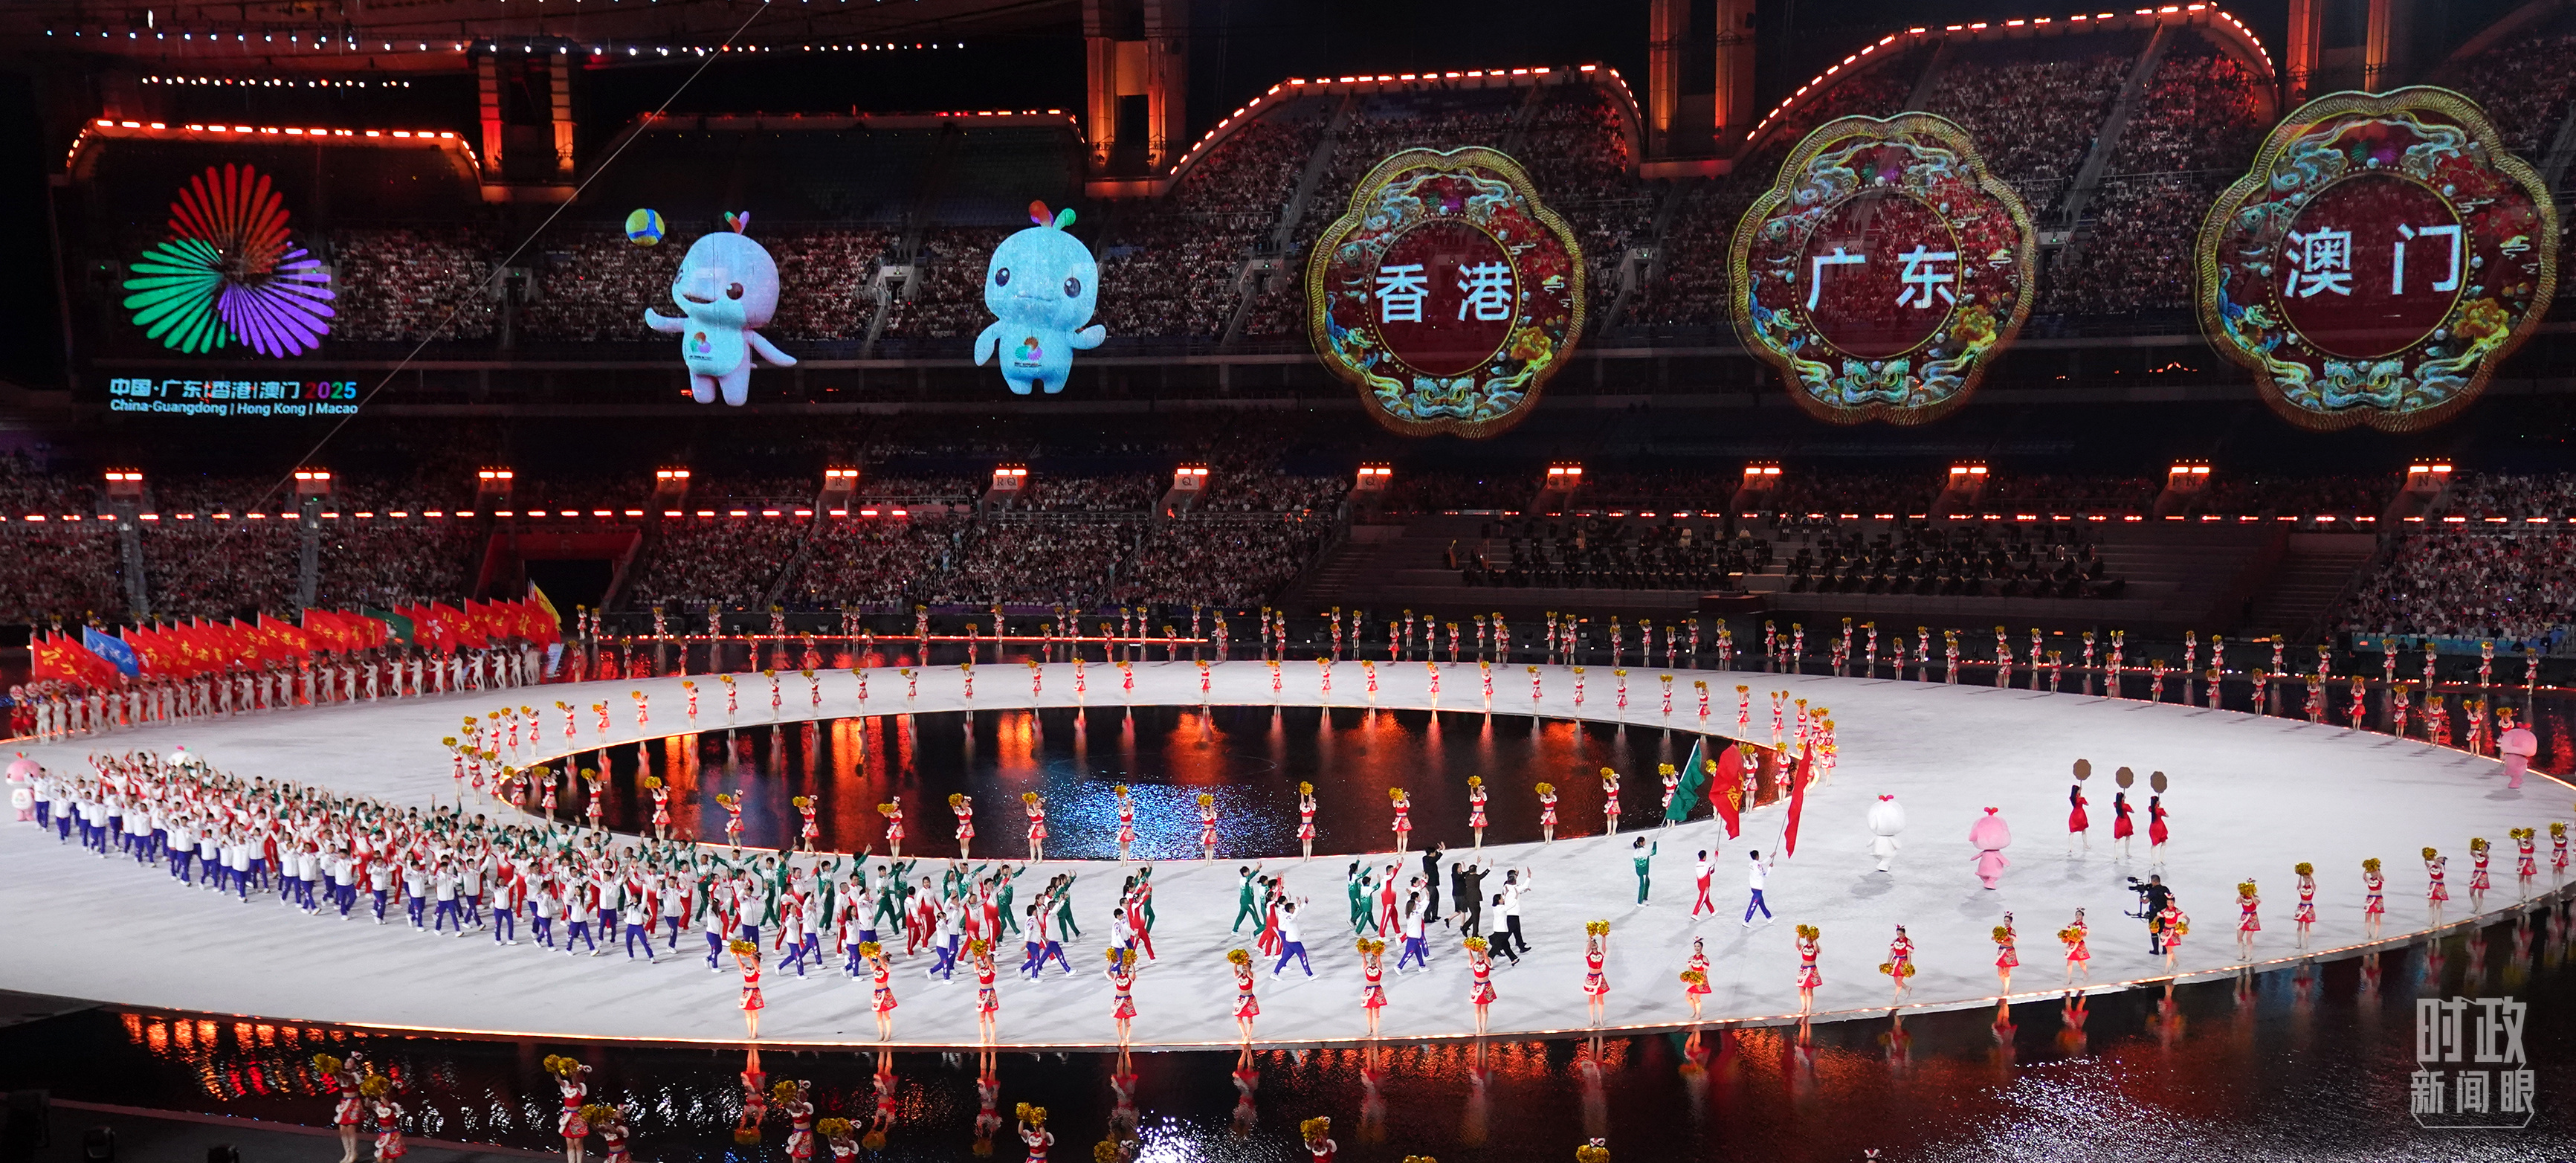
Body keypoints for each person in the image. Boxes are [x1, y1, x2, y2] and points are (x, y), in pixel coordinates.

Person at [1466, 935, 1498, 1035]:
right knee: (1477, 1008)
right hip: (1477, 986)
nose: (1480, 954)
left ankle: (1484, 1028)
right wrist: (1469, 949)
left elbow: (1487, 959)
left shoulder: (1488, 962)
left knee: (1484, 1008)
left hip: (1486, 987)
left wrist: (1483, 949)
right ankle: (1478, 1027)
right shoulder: (1475, 963)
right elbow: (1471, 958)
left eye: (1482, 953)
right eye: (1479, 953)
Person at [1273, 898, 1313, 976]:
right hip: (1294, 942)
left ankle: (1275, 973)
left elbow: (1299, 912)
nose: (1295, 909)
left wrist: (1304, 903)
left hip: (1290, 942)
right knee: (1303, 956)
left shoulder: (1290, 914)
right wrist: (1297, 906)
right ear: (1291, 910)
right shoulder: (1288, 917)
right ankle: (1310, 975)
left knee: (1284, 958)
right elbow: (1294, 915)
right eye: (1294, 908)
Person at [1357, 938, 1389, 1035]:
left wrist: (1378, 953)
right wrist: (1363, 953)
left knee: (1376, 1012)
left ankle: (1375, 1031)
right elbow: (1364, 960)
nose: (1373, 959)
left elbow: (1379, 960)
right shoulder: (1367, 967)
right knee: (1368, 1011)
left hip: (1377, 990)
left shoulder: (1380, 967)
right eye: (1372, 958)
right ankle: (1369, 1028)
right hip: (1368, 990)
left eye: (1375, 958)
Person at [1581, 921, 1610, 1025]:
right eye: (1592, 944)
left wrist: (1604, 937)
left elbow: (1604, 948)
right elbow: (1588, 947)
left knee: (1600, 999)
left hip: (1600, 978)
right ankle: (1592, 1019)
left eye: (1595, 944)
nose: (1594, 945)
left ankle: (1601, 1019)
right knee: (1591, 999)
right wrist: (1590, 937)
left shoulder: (1601, 954)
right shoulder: (1588, 954)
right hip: (1592, 979)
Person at [2137, 874, 2173, 953]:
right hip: (2164, 913)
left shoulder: (2153, 891)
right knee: (2163, 931)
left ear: (2154, 881)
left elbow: (2146, 901)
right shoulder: (2165, 889)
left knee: (2154, 931)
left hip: (2154, 914)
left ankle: (2156, 950)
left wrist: (2141, 900)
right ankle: (2165, 950)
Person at [1794, 924, 1822, 1015]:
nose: (1809, 939)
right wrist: (1799, 936)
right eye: (1808, 937)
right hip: (1804, 970)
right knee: (1802, 988)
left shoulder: (1815, 947)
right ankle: (1803, 1006)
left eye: (1810, 938)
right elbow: (1797, 945)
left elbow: (1816, 949)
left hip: (1812, 970)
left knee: (1810, 989)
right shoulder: (1803, 947)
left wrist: (1815, 939)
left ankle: (1809, 1008)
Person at [1742, 849, 1775, 927]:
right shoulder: (1758, 866)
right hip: (1758, 888)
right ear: (1757, 856)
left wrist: (1771, 856)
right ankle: (1746, 921)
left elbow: (1761, 863)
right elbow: (1765, 875)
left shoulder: (1751, 864)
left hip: (1753, 887)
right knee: (1753, 905)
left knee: (1761, 903)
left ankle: (1769, 917)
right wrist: (1770, 868)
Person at [2235, 879, 2262, 959]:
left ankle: (2248, 955)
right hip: (2244, 917)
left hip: (2252, 918)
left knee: (2248, 938)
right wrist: (2241, 894)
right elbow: (2237, 902)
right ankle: (2241, 954)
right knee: (2239, 936)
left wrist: (2252, 895)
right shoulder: (2243, 898)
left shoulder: (2256, 898)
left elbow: (2256, 903)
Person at [1631, 836, 1657, 906]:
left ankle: (1645, 898)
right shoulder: (1644, 851)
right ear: (1642, 843)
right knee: (1643, 885)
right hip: (1643, 871)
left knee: (1647, 883)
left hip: (1640, 870)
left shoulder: (1636, 851)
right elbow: (1653, 852)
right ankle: (1640, 902)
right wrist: (1655, 844)